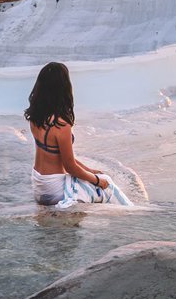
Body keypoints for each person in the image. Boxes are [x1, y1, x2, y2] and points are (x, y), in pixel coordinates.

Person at [25, 61, 132, 208]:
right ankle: (132, 214)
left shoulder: (35, 117)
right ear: (63, 88)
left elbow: (61, 158)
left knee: (99, 177)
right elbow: (70, 167)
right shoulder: (61, 124)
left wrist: (90, 170)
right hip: (55, 189)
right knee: (107, 184)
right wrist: (97, 180)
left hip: (39, 185)